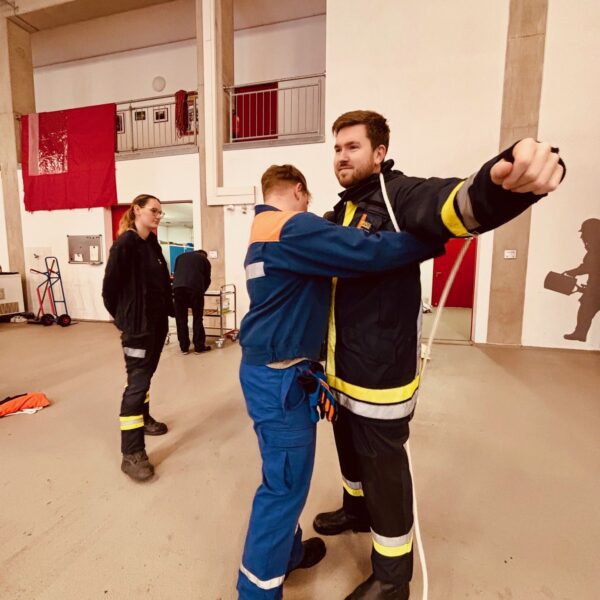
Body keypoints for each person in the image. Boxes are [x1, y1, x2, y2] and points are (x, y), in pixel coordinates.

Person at [312, 110, 566, 599]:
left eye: (352, 147)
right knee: (349, 451)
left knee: (384, 473)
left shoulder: (399, 196)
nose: (341, 157)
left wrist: (504, 181)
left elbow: (453, 204)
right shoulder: (342, 210)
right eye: (337, 148)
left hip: (380, 377)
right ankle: (355, 509)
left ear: (379, 153)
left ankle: (392, 578)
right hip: (341, 370)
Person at [237, 164, 443, 600]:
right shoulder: (293, 226)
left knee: (284, 475)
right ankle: (255, 591)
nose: (311, 207)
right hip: (280, 379)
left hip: (267, 372)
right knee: (284, 486)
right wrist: (429, 240)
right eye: (308, 199)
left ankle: (288, 553)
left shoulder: (259, 229)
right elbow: (365, 251)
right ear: (298, 190)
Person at [102, 194, 175, 482]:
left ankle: (143, 419)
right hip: (138, 329)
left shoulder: (151, 245)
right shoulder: (125, 244)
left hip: (156, 327)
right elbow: (109, 290)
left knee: (144, 378)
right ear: (137, 210)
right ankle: (131, 452)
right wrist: (125, 319)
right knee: (137, 383)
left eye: (160, 212)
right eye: (153, 210)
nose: (158, 215)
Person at [563, 218, 600, 341]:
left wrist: (572, 272)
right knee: (585, 307)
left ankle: (580, 333)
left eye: (584, 233)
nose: (582, 237)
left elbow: (588, 266)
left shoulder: (596, 250)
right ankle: (580, 333)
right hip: (594, 288)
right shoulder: (594, 249)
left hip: (596, 289)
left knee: (586, 307)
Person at [173, 249, 212, 354]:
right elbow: (207, 279)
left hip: (178, 289)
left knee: (181, 319)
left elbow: (176, 274)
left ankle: (184, 348)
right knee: (197, 318)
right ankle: (199, 347)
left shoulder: (180, 257)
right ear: (204, 255)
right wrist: (201, 291)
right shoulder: (204, 260)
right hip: (195, 289)